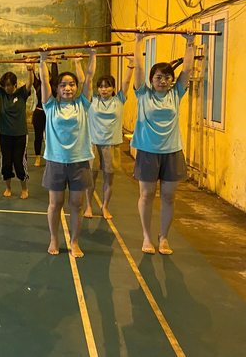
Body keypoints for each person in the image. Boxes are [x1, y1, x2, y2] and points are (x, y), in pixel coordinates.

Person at [132, 30, 195, 255]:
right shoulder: (143, 94)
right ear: (151, 80)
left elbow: (186, 69)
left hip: (172, 152)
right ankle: (147, 236)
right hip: (148, 152)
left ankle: (164, 237)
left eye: (167, 77)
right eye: (158, 77)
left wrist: (190, 42)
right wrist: (138, 41)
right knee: (147, 195)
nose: (163, 80)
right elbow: (139, 69)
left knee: (169, 196)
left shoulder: (176, 93)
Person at [40, 43, 97, 258]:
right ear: (57, 89)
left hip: (79, 161)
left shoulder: (82, 103)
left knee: (77, 204)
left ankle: (74, 241)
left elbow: (89, 78)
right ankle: (54, 238)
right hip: (55, 161)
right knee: (55, 203)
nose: (68, 88)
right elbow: (44, 80)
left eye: (71, 84)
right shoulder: (50, 105)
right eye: (63, 85)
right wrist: (43, 58)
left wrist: (93, 54)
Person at [81, 57, 135, 219]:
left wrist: (131, 64)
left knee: (108, 179)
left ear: (113, 88)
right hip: (93, 144)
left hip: (111, 145)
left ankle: (105, 207)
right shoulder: (93, 100)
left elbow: (126, 82)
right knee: (91, 178)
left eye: (108, 86)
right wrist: (85, 59)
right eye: (101, 87)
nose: (104, 89)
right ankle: (89, 206)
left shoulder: (119, 100)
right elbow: (86, 82)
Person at [0, 62, 33, 199]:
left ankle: (24, 188)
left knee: (19, 163)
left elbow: (31, 82)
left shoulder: (22, 93)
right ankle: (8, 187)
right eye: (4, 85)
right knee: (6, 164)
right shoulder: (1, 94)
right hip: (4, 135)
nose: (6, 88)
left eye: (9, 85)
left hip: (20, 135)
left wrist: (30, 68)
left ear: (14, 84)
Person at [32, 62, 59, 167]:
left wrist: (54, 62)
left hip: (51, 114)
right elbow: (32, 76)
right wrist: (31, 66)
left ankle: (51, 157)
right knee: (38, 137)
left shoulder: (54, 85)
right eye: (41, 75)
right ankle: (38, 158)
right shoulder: (38, 85)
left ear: (50, 77)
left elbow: (56, 74)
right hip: (39, 113)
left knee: (51, 137)